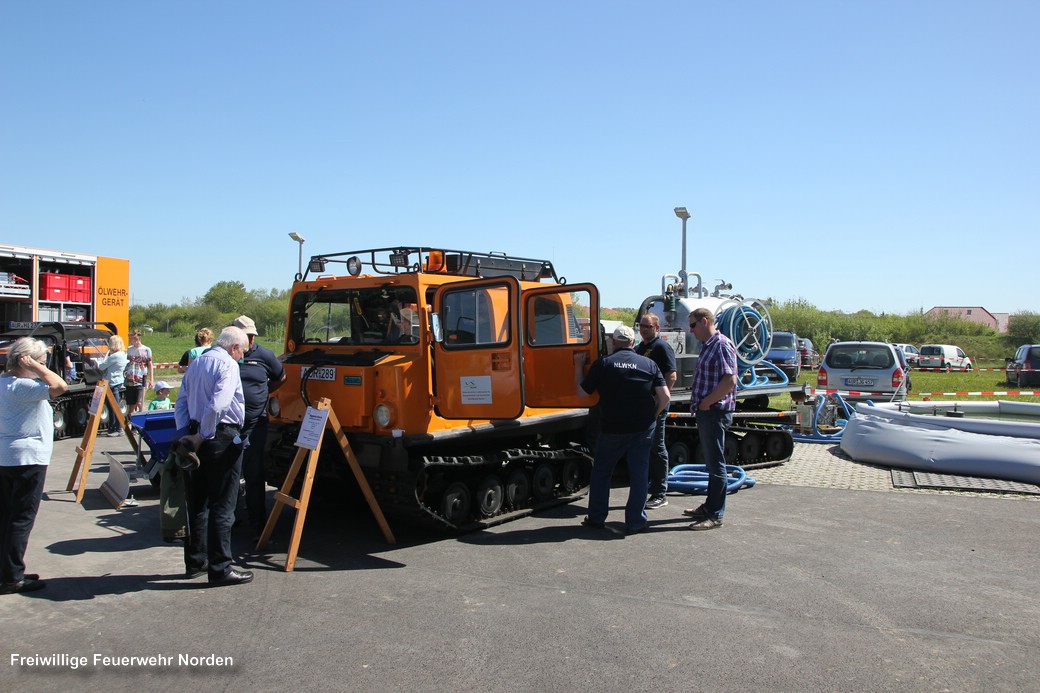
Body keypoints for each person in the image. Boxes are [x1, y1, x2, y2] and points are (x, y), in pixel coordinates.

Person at [174, 326, 252, 587]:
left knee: (198, 503)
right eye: (242, 351)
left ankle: (196, 562)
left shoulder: (196, 363)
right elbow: (219, 404)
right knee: (223, 504)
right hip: (219, 438)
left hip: (197, 435)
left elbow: (181, 401)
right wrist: (203, 435)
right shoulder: (228, 365)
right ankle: (220, 568)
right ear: (233, 348)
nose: (242, 357)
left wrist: (187, 433)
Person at [576, 325, 670, 534]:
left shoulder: (604, 363)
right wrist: (653, 416)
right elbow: (665, 397)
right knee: (639, 474)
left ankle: (596, 518)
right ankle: (635, 521)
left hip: (613, 429)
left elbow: (582, 394)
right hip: (642, 428)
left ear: (614, 342)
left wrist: (578, 366)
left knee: (602, 473)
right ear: (633, 343)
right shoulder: (649, 364)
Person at [0, 338, 68, 594]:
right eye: (41, 362)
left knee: (7, 516)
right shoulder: (23, 386)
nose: (44, 366)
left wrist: (34, 365)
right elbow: (60, 385)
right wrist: (37, 368)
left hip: (6, 457)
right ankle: (13, 576)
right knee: (21, 517)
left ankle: (7, 570)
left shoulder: (3, 383)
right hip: (28, 458)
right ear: (25, 361)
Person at [231, 315, 286, 539]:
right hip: (227, 426)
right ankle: (229, 520)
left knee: (254, 475)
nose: (250, 341)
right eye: (246, 337)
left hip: (255, 425)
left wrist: (263, 394)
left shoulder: (264, 355)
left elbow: (281, 377)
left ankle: (257, 523)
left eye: (252, 336)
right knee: (229, 475)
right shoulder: (226, 356)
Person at [683, 308, 738, 531]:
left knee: (716, 464)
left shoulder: (721, 344)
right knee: (711, 463)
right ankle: (710, 506)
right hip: (708, 412)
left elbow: (730, 380)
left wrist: (707, 402)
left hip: (714, 412)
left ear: (705, 321)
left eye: (693, 325)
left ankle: (715, 514)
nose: (691, 330)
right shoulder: (709, 345)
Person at [635, 314, 678, 509]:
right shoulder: (640, 348)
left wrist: (660, 400)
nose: (644, 329)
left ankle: (660, 492)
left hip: (657, 405)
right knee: (645, 447)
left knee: (657, 447)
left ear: (657, 328)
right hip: (642, 405)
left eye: (648, 326)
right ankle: (648, 487)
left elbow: (672, 376)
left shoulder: (662, 347)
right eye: (641, 325)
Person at [95, 334, 128, 435]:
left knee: (113, 407)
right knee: (114, 406)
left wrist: (97, 362)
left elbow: (101, 366)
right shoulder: (123, 354)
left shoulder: (114, 356)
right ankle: (114, 427)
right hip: (118, 381)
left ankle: (117, 428)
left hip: (111, 382)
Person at [124, 330, 154, 414]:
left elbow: (150, 364)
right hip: (131, 378)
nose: (130, 341)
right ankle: (131, 423)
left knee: (140, 402)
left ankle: (141, 417)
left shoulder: (146, 350)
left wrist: (151, 379)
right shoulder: (129, 349)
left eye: (131, 339)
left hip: (141, 378)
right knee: (132, 404)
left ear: (136, 339)